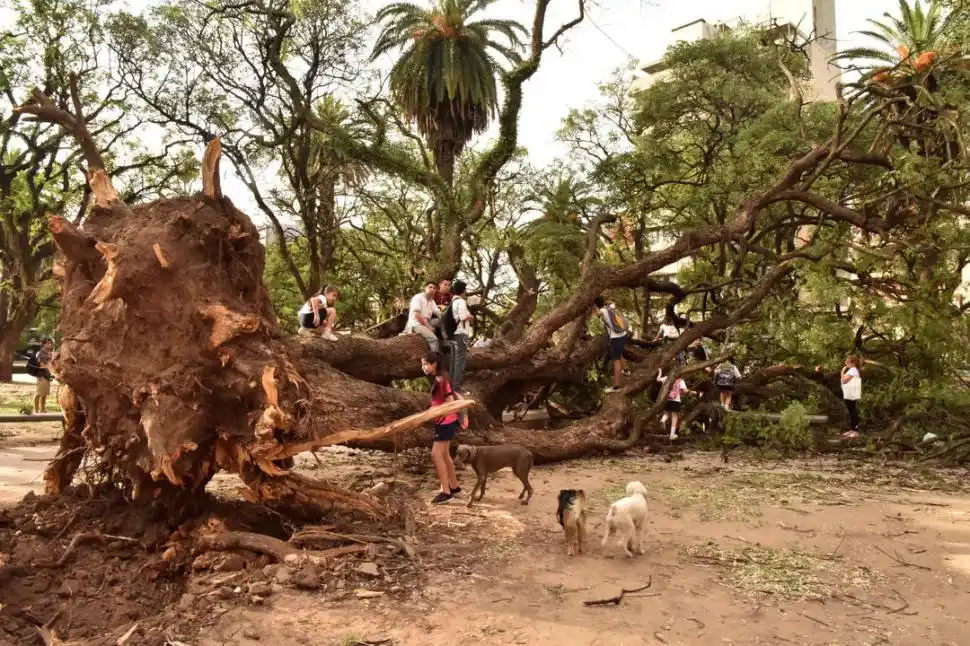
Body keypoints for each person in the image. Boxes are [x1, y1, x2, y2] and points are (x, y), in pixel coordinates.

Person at [422, 352, 461, 504]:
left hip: (446, 421)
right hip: (444, 421)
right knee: (445, 455)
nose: (423, 367)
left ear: (434, 364)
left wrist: (436, 412)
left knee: (436, 455)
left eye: (425, 364)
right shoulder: (438, 378)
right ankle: (454, 486)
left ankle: (446, 492)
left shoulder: (441, 380)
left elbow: (450, 402)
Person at [592, 296, 630, 393]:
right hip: (623, 335)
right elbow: (612, 303)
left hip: (616, 338)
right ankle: (626, 370)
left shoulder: (603, 311)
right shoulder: (610, 307)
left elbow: (597, 314)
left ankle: (616, 386)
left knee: (615, 361)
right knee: (619, 353)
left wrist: (594, 306)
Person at [445, 280, 474, 390]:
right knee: (460, 361)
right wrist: (470, 316)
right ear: (463, 290)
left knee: (454, 360)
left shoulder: (453, 301)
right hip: (461, 334)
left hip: (453, 334)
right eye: (465, 289)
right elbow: (462, 317)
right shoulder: (461, 301)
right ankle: (456, 386)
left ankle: (450, 385)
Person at [657, 368, 697, 440]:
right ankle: (672, 435)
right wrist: (692, 392)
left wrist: (660, 372)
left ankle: (663, 420)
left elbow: (658, 380)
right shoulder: (680, 380)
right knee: (674, 416)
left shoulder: (667, 378)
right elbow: (685, 391)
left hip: (667, 399)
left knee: (667, 413)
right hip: (676, 400)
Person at [404, 282, 441, 352]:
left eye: (434, 288)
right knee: (434, 339)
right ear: (425, 288)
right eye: (430, 287)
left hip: (426, 322)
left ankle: (446, 341)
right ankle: (433, 359)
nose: (432, 289)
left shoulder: (432, 301)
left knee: (441, 321)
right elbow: (417, 315)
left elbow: (439, 313)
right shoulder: (418, 298)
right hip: (416, 324)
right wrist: (429, 327)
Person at [841, 355, 862, 439]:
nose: (845, 363)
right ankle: (852, 429)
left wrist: (842, 372)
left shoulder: (853, 370)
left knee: (852, 411)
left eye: (847, 361)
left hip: (851, 394)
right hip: (849, 393)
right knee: (851, 411)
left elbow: (844, 380)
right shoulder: (852, 370)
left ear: (853, 363)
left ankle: (855, 431)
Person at [33, 338, 54, 414]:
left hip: (47, 375)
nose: (50, 344)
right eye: (48, 343)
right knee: (39, 393)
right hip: (41, 375)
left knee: (44, 394)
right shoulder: (41, 353)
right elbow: (41, 365)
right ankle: (36, 410)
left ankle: (42, 409)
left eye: (50, 343)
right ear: (43, 344)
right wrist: (50, 366)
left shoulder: (49, 353)